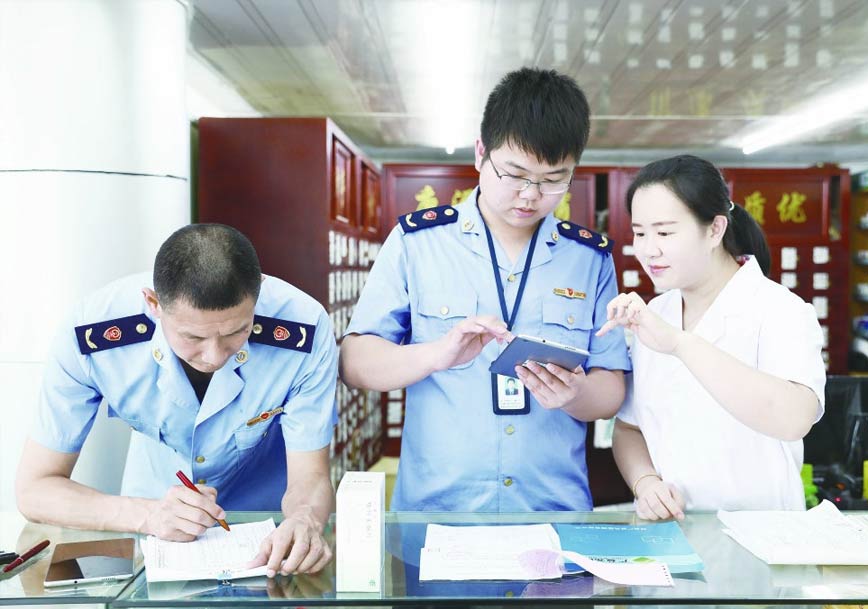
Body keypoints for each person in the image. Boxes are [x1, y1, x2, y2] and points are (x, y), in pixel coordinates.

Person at [340, 68, 630, 512]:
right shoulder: (418, 242)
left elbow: (611, 386)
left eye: (553, 180)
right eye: (514, 174)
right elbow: (355, 362)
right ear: (481, 153)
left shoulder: (589, 259)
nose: (530, 195)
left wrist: (577, 396)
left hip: (552, 510)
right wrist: (435, 355)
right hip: (438, 513)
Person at [16, 224, 337, 576]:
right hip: (154, 529)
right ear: (153, 304)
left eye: (236, 332)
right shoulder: (92, 334)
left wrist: (305, 519)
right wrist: (149, 514)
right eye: (193, 337)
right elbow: (35, 489)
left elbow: (311, 474)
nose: (215, 356)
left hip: (269, 535)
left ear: (258, 293)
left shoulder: (305, 329)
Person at [598, 155, 826, 520]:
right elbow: (628, 428)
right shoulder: (658, 312)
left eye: (665, 233)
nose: (649, 249)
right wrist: (646, 483)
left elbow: (794, 418)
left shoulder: (779, 310)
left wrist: (680, 343)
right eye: (640, 233)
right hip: (675, 531)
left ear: (715, 230)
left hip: (763, 532)